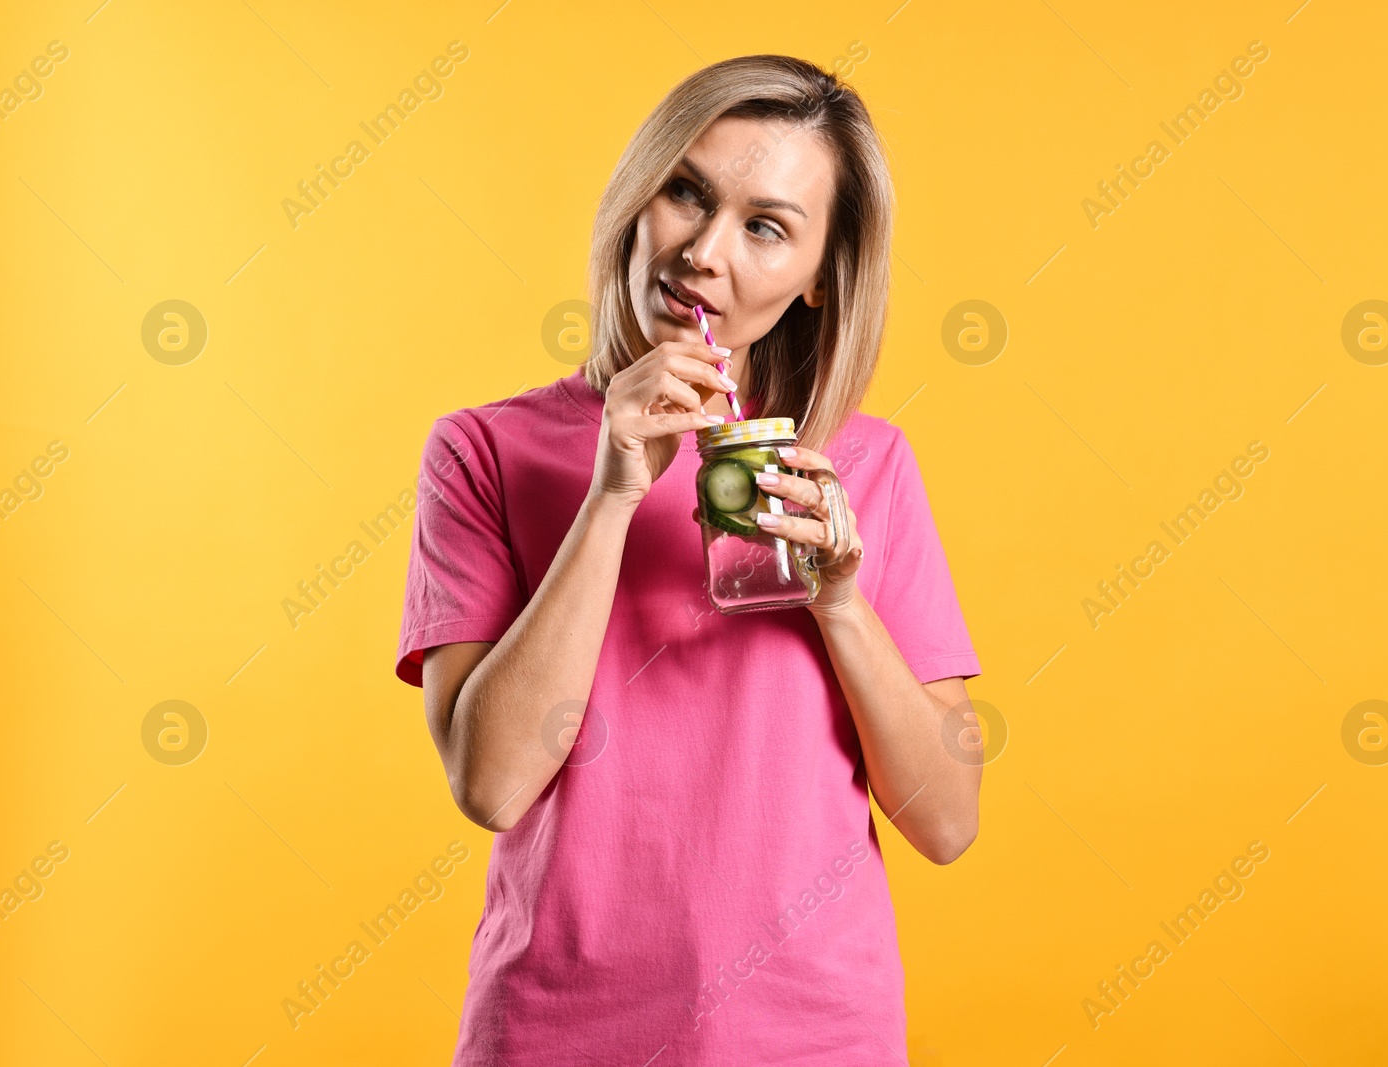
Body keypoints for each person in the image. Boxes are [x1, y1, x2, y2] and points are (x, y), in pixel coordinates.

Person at [395, 53, 982, 1066]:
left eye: (765, 226)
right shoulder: (482, 451)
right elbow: (490, 782)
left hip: (813, 1034)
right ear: (637, 197)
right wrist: (614, 493)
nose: (704, 253)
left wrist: (839, 602)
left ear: (815, 281)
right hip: (558, 1030)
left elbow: (946, 818)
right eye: (686, 192)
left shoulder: (862, 464)